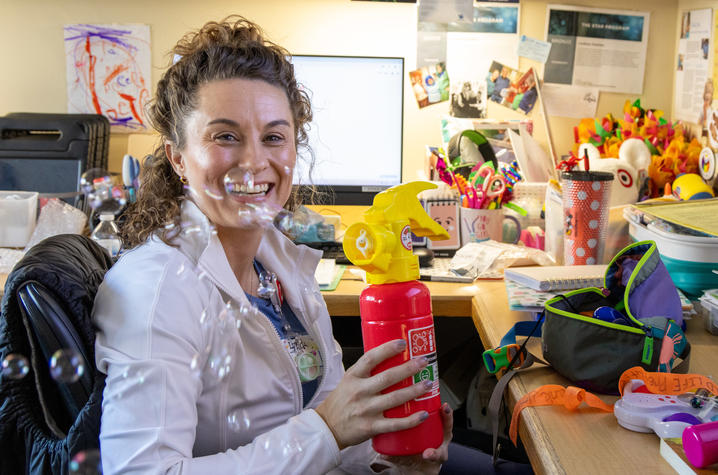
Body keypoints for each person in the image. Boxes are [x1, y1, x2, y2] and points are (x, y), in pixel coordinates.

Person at [92, 16, 452, 474]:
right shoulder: (157, 290)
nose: (254, 161)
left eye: (274, 137)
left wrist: (393, 463)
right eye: (226, 136)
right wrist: (324, 429)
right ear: (178, 157)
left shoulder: (279, 265)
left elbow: (333, 426)